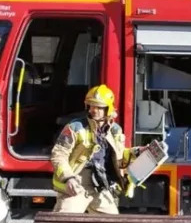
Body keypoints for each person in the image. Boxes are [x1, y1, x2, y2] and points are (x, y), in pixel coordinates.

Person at [51, 84, 132, 213]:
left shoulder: (115, 130)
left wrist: (139, 152)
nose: (94, 110)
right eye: (91, 106)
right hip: (77, 184)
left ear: (108, 109)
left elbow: (120, 156)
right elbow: (58, 154)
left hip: (100, 186)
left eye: (99, 107)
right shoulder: (75, 127)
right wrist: (68, 178)